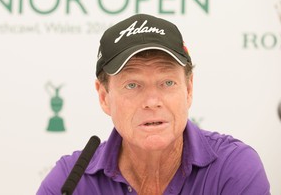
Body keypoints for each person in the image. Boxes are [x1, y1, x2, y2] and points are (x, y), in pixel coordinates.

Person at [37, 13, 270, 194]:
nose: (151, 101)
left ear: (188, 89)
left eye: (167, 82)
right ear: (104, 97)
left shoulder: (233, 167)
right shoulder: (70, 181)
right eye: (132, 85)